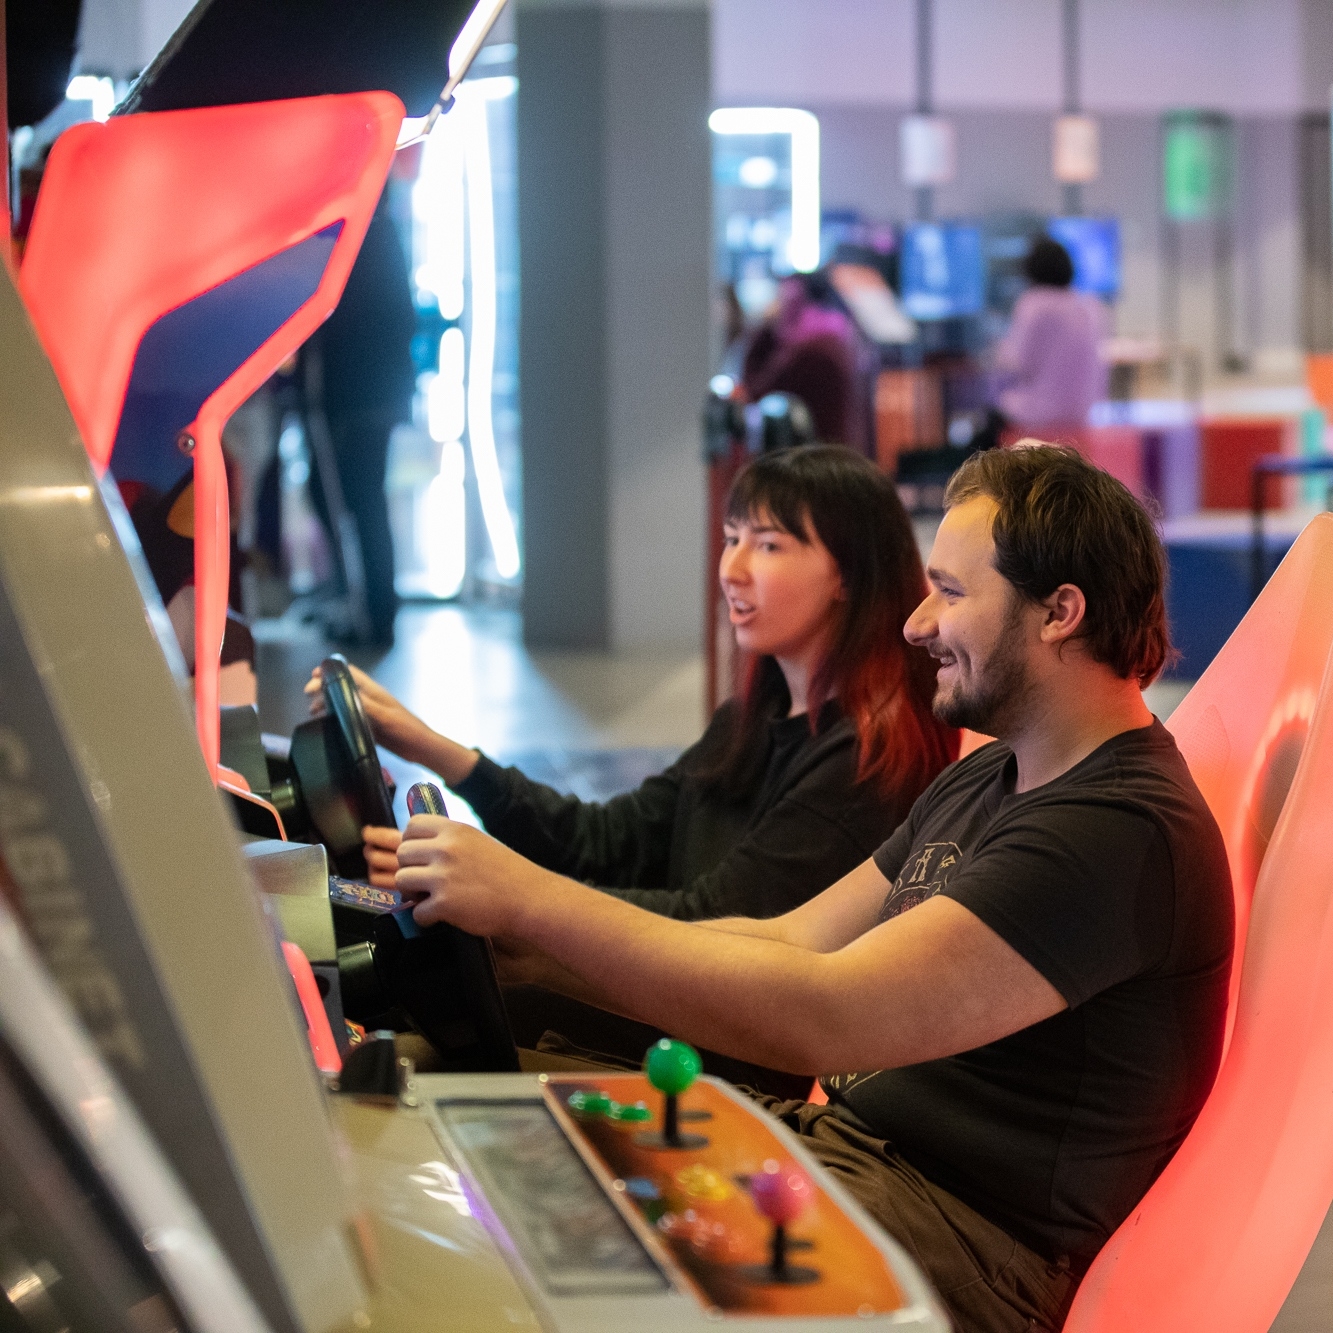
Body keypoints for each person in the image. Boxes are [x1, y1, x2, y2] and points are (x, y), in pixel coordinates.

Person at [389, 444, 1234, 1333]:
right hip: (855, 1162)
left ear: (1060, 612)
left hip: (961, 1246)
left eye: (950, 592)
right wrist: (540, 951)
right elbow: (793, 938)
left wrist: (537, 905)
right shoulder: (989, 778)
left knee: (482, 1184)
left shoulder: (1114, 830)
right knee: (444, 1083)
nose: (916, 622)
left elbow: (827, 1011)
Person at [309, 446, 956, 1084]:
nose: (731, 568)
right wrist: (431, 748)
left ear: (848, 572)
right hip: (653, 1000)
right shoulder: (749, 720)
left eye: (767, 545)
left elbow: (711, 920)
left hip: (714, 1045)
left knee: (408, 1022)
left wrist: (511, 894)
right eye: (731, 538)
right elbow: (605, 840)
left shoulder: (866, 759)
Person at [987, 237, 1108, 441]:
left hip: (1039, 415)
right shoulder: (1090, 306)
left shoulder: (1034, 303)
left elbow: (1018, 362)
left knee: (986, 427)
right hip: (1082, 413)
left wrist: (998, 350)